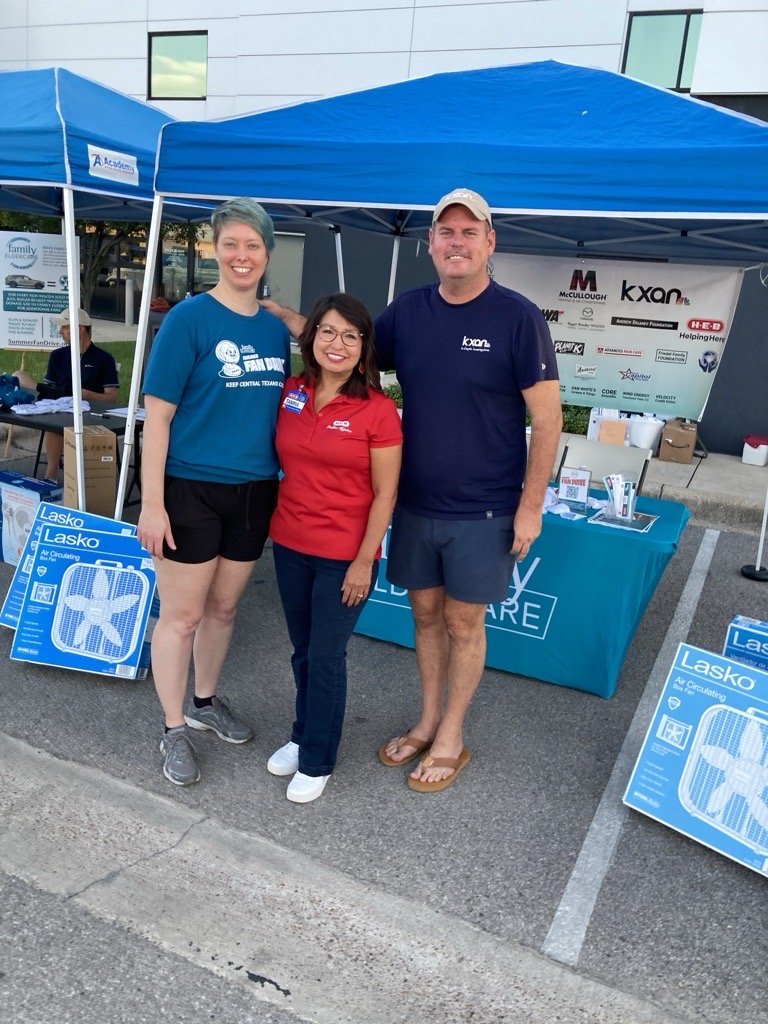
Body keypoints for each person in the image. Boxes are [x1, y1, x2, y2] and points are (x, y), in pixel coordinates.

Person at [263, 186, 562, 794]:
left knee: (462, 622)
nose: (457, 243)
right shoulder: (411, 310)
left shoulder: (517, 317)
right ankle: (427, 720)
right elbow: (345, 348)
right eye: (446, 233)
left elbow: (549, 420)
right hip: (416, 501)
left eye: (468, 232)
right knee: (425, 615)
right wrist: (282, 317)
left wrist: (531, 506)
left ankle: (452, 734)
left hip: (485, 506)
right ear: (430, 245)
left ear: (489, 242)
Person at [137, 198, 291, 787]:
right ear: (215, 250)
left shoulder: (275, 328)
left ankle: (204, 702)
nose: (242, 255)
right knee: (180, 615)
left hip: (255, 490)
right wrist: (153, 504)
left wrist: (295, 316)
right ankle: (172, 727)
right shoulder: (188, 319)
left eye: (253, 245)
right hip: (190, 490)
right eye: (231, 243)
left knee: (224, 609)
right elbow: (158, 420)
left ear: (267, 252)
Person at [268, 293, 402, 803]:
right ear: (311, 338)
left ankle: (319, 758)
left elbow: (386, 493)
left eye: (351, 335)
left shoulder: (378, 411)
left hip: (345, 556)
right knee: (303, 651)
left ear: (364, 346)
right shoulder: (291, 393)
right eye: (327, 331)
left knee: (326, 656)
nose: (337, 343)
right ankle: (303, 734)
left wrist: (364, 560)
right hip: (289, 543)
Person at [16, 308, 119, 483]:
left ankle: (73, 481)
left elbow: (112, 397)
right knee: (55, 426)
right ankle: (50, 478)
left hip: (92, 415)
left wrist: (87, 395)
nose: (60, 332)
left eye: (64, 327)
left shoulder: (104, 359)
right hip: (61, 411)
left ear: (80, 328)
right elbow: (50, 392)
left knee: (59, 426)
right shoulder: (57, 356)